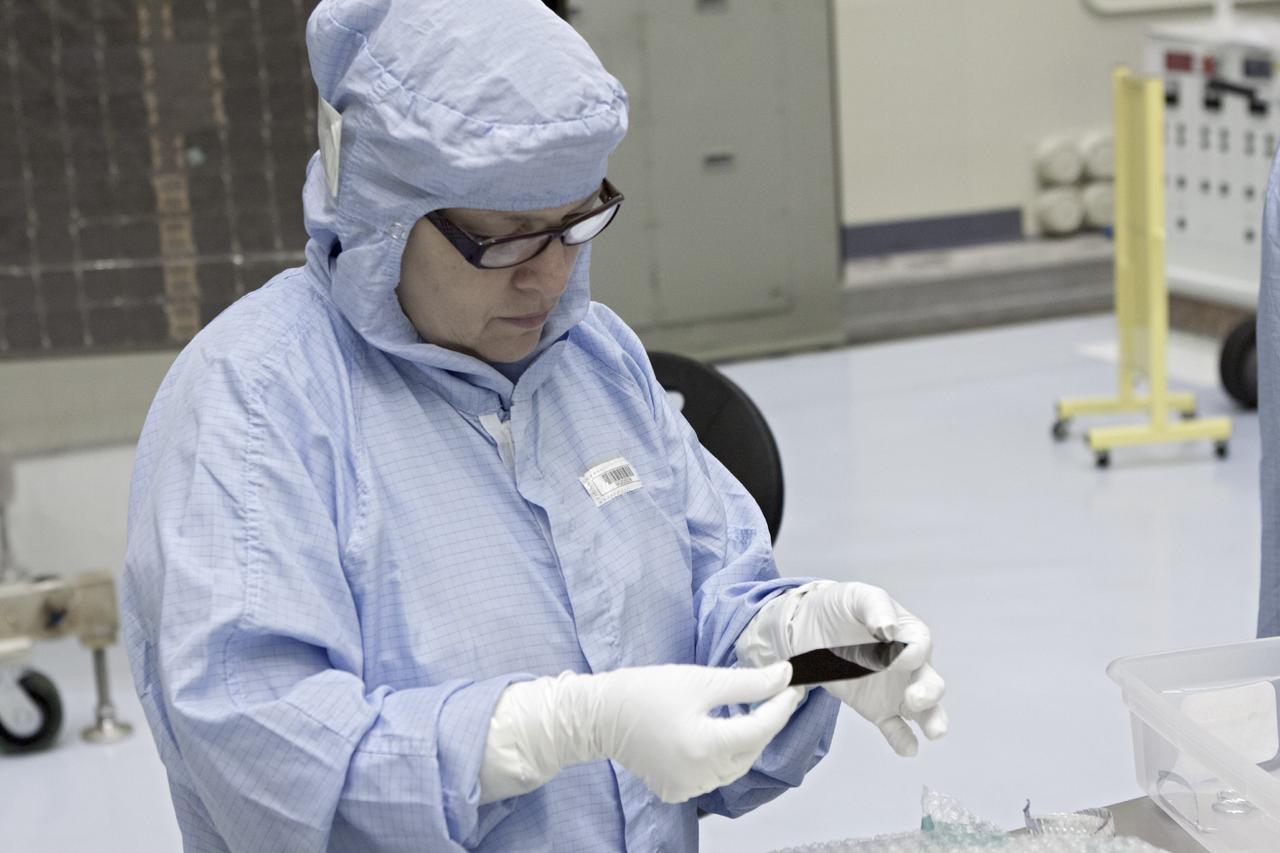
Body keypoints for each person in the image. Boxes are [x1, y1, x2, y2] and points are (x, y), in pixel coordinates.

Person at [120, 2, 948, 850]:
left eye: (576, 222)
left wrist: (801, 645)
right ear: (382, 214)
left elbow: (712, 613)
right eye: (507, 239)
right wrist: (537, 732)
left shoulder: (596, 359)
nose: (550, 280)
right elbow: (259, 747)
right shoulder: (255, 402)